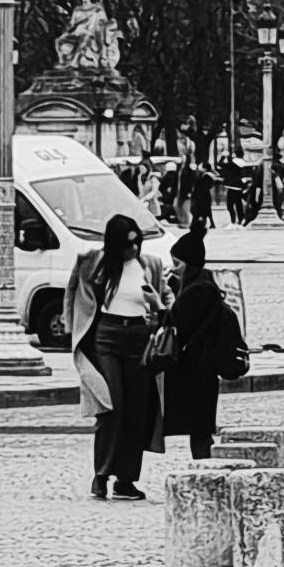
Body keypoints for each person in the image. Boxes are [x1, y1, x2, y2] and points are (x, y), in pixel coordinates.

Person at [64, 212, 162, 501]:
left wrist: (157, 306)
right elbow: (75, 294)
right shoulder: (94, 264)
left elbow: (166, 300)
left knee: (136, 411)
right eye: (127, 244)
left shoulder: (150, 265)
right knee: (110, 407)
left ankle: (126, 479)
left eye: (137, 243)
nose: (133, 249)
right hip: (107, 337)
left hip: (139, 338)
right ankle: (101, 474)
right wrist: (73, 329)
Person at [150, 228, 247, 462]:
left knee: (199, 427)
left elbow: (179, 324)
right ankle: (204, 462)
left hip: (197, 368)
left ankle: (205, 467)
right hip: (200, 367)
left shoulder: (198, 292)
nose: (174, 267)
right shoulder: (202, 285)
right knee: (199, 426)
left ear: (189, 262)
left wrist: (158, 304)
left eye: (177, 262)